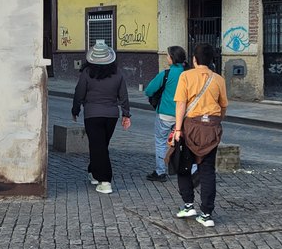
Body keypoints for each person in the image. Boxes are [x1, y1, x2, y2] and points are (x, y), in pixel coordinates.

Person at [170, 43, 227, 227]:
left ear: (194, 59)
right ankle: (207, 214)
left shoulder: (186, 76)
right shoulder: (218, 79)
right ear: (211, 61)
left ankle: (188, 204)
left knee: (183, 165)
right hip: (211, 128)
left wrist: (178, 129)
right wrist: (214, 122)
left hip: (190, 127)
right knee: (207, 171)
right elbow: (223, 106)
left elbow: (180, 104)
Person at [71, 40, 131, 194]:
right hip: (111, 115)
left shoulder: (86, 73)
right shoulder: (118, 74)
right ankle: (93, 171)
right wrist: (126, 114)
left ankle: (105, 181)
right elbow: (123, 95)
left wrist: (75, 109)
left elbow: (79, 93)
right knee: (100, 145)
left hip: (92, 114)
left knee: (98, 146)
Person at [142, 46, 187, 182]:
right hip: (183, 115)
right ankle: (185, 169)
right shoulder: (188, 74)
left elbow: (149, 90)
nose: (166, 58)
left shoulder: (166, 74)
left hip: (165, 114)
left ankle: (160, 172)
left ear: (172, 58)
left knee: (161, 142)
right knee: (182, 144)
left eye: (167, 55)